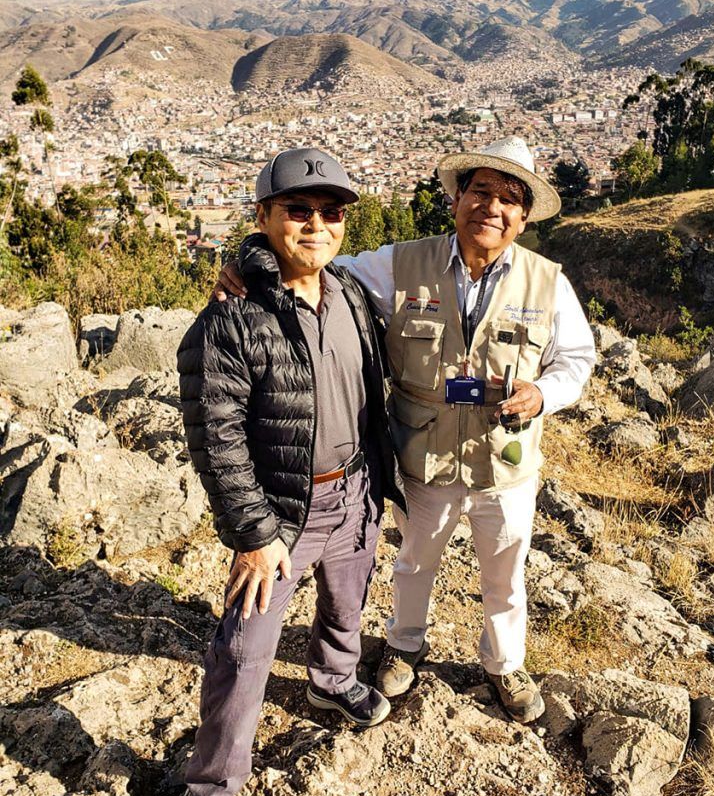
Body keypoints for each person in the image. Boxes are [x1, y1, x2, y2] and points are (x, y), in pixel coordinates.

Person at [215, 136, 595, 729]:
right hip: (423, 454)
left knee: (505, 570)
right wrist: (248, 262)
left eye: (507, 199)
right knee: (415, 561)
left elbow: (576, 359)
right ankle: (404, 646)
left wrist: (544, 393)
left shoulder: (549, 283)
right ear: (457, 199)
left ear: (522, 218)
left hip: (506, 460)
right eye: (480, 191)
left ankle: (505, 663)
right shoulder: (399, 263)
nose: (490, 208)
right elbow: (317, 264)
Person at [158, 147, 406, 796]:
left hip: (354, 487)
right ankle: (209, 793)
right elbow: (216, 436)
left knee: (347, 600)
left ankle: (333, 681)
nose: (317, 225)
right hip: (281, 511)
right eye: (298, 209)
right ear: (263, 216)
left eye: (331, 213)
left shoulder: (352, 294)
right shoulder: (231, 319)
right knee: (243, 650)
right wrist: (255, 533)